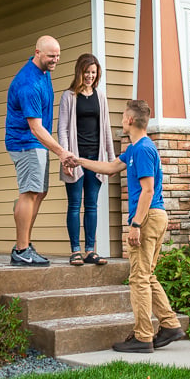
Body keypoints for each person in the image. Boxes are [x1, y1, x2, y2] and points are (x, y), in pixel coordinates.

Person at [69, 100, 185, 352]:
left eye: (123, 117)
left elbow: (148, 189)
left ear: (131, 120)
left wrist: (136, 224)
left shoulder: (143, 149)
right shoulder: (134, 149)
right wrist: (80, 161)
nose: (121, 121)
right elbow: (110, 167)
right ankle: (170, 324)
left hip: (148, 217)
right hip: (153, 217)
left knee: (138, 279)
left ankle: (143, 337)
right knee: (146, 275)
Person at [5, 36, 75, 267]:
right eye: (50, 56)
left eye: (58, 56)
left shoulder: (44, 72)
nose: (55, 60)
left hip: (37, 143)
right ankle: (22, 249)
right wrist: (61, 152)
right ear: (37, 52)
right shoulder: (29, 84)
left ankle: (24, 244)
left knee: (38, 193)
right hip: (25, 142)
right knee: (30, 192)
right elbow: (35, 127)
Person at [58, 53, 116, 266]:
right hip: (75, 159)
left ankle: (90, 250)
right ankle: (75, 250)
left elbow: (107, 129)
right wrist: (66, 158)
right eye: (87, 72)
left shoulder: (100, 96)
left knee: (91, 205)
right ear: (79, 72)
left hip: (96, 159)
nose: (90, 76)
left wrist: (111, 159)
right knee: (74, 205)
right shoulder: (69, 96)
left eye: (94, 72)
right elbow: (62, 129)